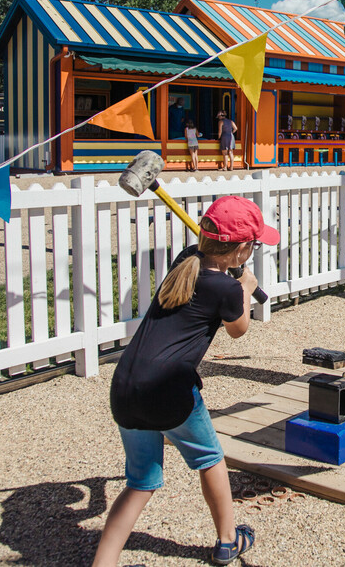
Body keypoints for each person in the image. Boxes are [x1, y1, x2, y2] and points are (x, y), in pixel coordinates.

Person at [93, 196, 280, 567]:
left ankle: (104, 561)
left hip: (127, 385)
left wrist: (234, 275)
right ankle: (228, 540)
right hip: (169, 390)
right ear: (243, 249)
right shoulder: (227, 289)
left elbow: (209, 265)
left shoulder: (186, 260)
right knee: (210, 458)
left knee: (141, 482)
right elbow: (239, 329)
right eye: (254, 245)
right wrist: (245, 286)